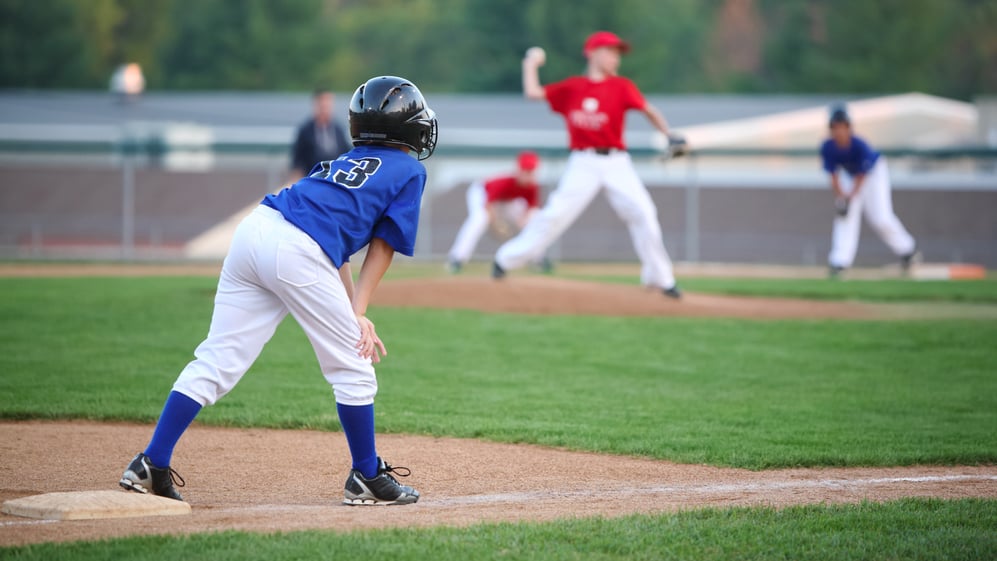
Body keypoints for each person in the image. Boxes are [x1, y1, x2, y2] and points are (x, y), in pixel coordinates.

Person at [118, 75, 438, 506]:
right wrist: (357, 312)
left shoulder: (343, 161)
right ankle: (365, 476)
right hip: (297, 250)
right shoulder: (409, 170)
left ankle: (150, 462)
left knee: (217, 357)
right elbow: (381, 247)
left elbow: (335, 247)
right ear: (406, 128)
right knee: (353, 367)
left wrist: (353, 311)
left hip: (256, 230)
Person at [492, 31, 683, 299]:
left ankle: (660, 278)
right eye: (610, 51)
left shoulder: (622, 87)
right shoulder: (573, 88)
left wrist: (669, 134)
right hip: (583, 162)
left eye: (618, 53)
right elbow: (533, 93)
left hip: (617, 162)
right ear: (592, 53)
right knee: (554, 215)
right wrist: (530, 64)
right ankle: (504, 261)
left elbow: (648, 109)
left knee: (644, 213)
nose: (616, 57)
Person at [822, 106, 919, 277]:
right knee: (845, 216)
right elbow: (834, 177)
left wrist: (850, 197)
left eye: (842, 126)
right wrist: (842, 198)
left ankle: (907, 250)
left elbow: (862, 176)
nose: (839, 131)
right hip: (850, 176)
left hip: (874, 174)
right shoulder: (828, 147)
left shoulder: (860, 145)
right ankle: (839, 262)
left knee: (881, 217)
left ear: (849, 127)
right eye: (835, 127)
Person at [447, 151, 548, 273]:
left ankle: (538, 258)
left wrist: (523, 222)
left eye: (531, 171)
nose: (528, 174)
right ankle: (457, 259)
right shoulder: (504, 182)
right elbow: (488, 205)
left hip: (507, 202)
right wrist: (497, 226)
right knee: (480, 219)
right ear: (519, 170)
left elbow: (530, 210)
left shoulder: (532, 187)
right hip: (481, 192)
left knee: (535, 217)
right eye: (525, 170)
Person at [289, 88, 352, 180]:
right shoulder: (305, 131)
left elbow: (346, 154)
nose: (325, 109)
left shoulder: (338, 129)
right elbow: (297, 162)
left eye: (328, 105)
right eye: (323, 105)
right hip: (312, 179)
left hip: (334, 179)